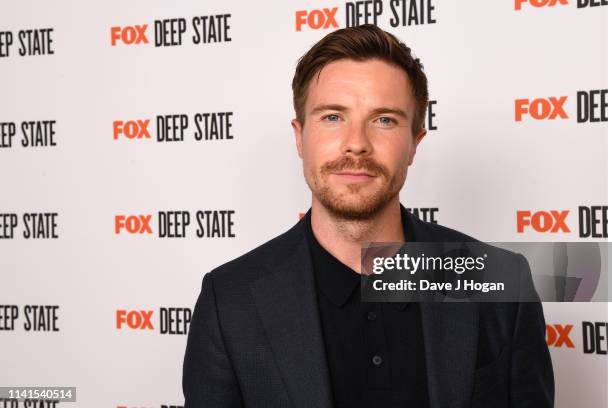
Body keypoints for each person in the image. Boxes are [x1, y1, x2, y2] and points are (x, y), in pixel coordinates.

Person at [183, 24, 554, 408]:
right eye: (332, 117)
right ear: (299, 137)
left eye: (384, 120)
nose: (356, 144)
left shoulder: (499, 283)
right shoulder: (229, 301)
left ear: (414, 143)